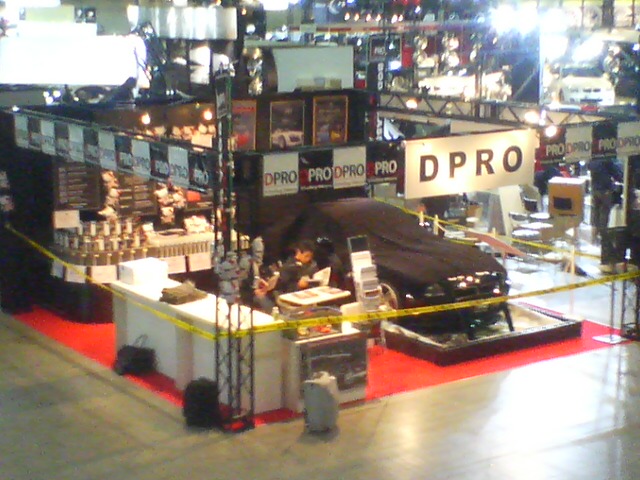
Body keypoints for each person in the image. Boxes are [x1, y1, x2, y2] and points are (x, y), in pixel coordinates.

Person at [253, 239, 318, 312]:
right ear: (298, 252)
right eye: (306, 256)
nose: (308, 259)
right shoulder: (288, 267)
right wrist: (298, 285)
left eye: (310, 256)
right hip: (289, 299)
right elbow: (282, 287)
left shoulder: (311, 265)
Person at [588, 157, 624, 244]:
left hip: (595, 190)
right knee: (604, 214)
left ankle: (593, 238)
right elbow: (617, 174)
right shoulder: (607, 160)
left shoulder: (593, 159)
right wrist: (620, 178)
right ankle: (603, 238)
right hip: (605, 190)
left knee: (595, 213)